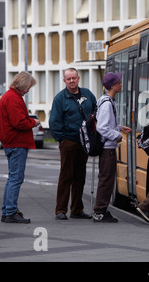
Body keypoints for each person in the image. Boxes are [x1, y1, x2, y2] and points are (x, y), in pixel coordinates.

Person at [49, 67, 97, 220]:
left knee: (80, 176)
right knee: (66, 176)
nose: (71, 81)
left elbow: (96, 113)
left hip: (85, 142)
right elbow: (54, 121)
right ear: (64, 81)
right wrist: (62, 139)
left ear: (78, 78)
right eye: (68, 79)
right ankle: (60, 210)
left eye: (73, 78)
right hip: (69, 141)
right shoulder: (60, 98)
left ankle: (77, 209)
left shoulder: (88, 94)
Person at [0, 72, 40, 223]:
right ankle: (10, 212)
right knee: (16, 178)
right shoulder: (13, 98)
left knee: (13, 178)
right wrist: (33, 123)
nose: (29, 90)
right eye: (28, 87)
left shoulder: (9, 96)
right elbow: (19, 122)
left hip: (11, 142)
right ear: (22, 85)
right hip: (17, 142)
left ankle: (7, 210)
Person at [93, 72, 131, 222]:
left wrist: (119, 127)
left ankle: (102, 209)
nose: (121, 85)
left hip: (108, 146)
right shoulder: (107, 103)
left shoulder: (105, 100)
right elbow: (102, 127)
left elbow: (106, 123)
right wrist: (117, 135)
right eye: (119, 82)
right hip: (107, 148)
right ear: (113, 86)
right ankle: (99, 211)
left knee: (107, 179)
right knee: (106, 179)